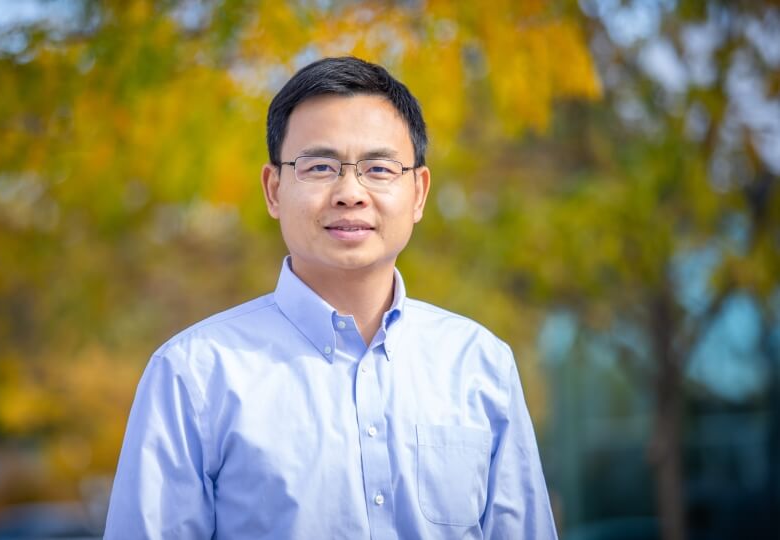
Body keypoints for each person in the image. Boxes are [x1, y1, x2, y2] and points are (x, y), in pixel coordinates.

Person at [104, 56, 558, 540]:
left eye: (379, 168)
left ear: (419, 192)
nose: (350, 193)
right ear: (274, 189)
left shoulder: (479, 365)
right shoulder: (194, 376)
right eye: (319, 166)